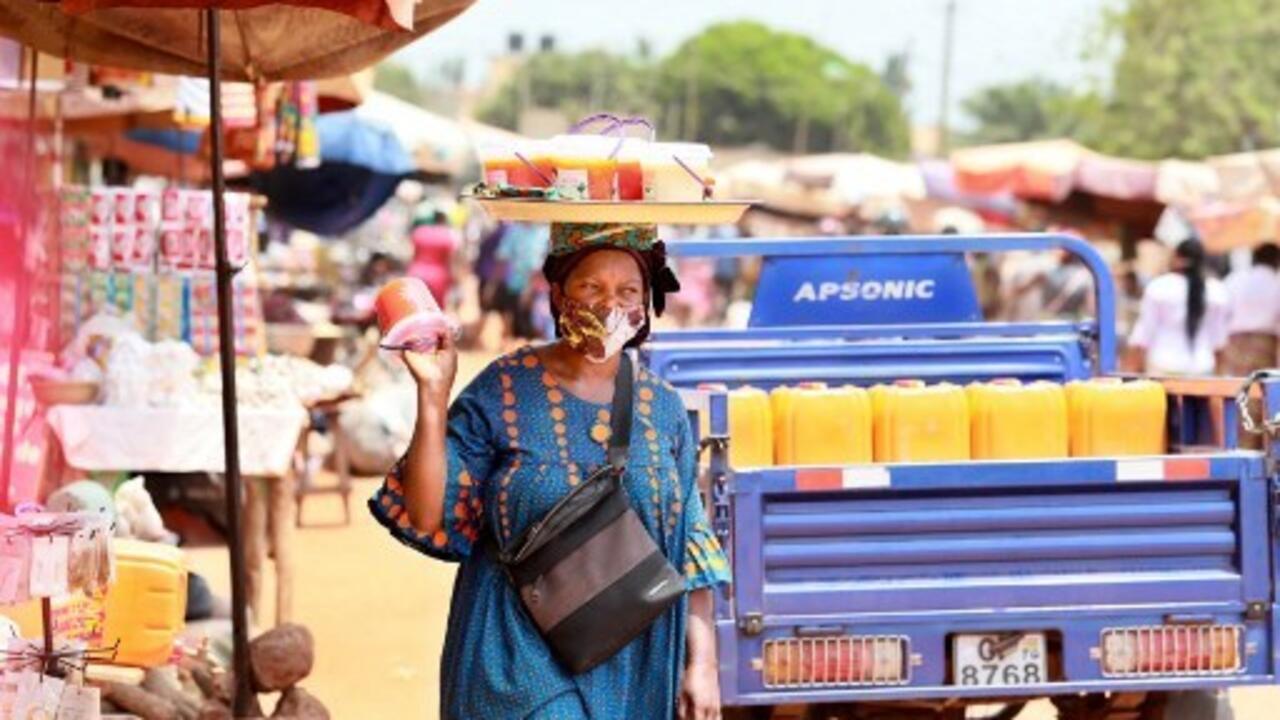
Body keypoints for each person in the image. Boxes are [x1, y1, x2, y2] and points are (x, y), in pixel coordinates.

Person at [369, 223, 729, 719]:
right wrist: (433, 396)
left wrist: (703, 664)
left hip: (636, 666)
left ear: (646, 302)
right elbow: (427, 514)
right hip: (515, 653)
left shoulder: (664, 409)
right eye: (591, 287)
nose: (610, 306)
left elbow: (691, 538)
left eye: (628, 291)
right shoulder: (503, 390)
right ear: (559, 294)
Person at [1127, 238, 1230, 375]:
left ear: (1177, 258)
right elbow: (1218, 339)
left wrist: (1134, 367)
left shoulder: (1159, 287)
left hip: (1163, 365)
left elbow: (1144, 333)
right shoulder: (1217, 290)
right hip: (1202, 368)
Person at [1221, 243, 1280, 376]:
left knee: (1237, 383)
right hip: (1265, 342)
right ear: (1276, 260)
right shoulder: (1276, 282)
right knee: (1261, 383)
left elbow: (1224, 310)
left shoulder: (1235, 279)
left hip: (1235, 340)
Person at [407, 206, 458, 308]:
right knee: (435, 309)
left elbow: (412, 255)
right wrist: (455, 279)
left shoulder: (420, 232)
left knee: (415, 308)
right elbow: (451, 260)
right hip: (438, 278)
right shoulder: (449, 235)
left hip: (416, 274)